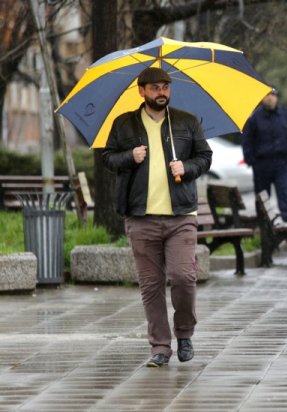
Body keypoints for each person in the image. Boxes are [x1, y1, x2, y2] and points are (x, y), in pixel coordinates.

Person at [102, 67, 213, 368]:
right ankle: (161, 347)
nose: (161, 92)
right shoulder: (123, 124)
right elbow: (107, 158)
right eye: (154, 88)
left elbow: (205, 157)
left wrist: (186, 168)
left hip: (180, 216)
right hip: (140, 217)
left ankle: (185, 333)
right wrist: (129, 157)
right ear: (141, 91)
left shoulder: (187, 122)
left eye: (165, 86)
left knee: (183, 277)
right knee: (151, 286)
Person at [241, 88, 287, 221]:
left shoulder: (286, 116)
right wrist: (252, 161)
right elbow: (247, 141)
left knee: (285, 193)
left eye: (272, 95)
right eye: (266, 95)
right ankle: (264, 225)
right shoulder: (254, 118)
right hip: (262, 164)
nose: (270, 98)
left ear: (277, 97)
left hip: (282, 162)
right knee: (263, 198)